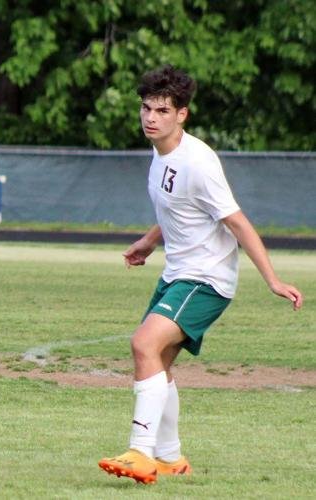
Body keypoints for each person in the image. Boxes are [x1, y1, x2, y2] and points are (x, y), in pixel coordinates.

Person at [98, 65, 303, 484]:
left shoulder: (198, 162)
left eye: (162, 110)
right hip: (178, 273)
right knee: (158, 362)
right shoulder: (159, 154)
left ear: (182, 114)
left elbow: (238, 222)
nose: (150, 117)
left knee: (143, 345)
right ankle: (171, 458)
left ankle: (141, 452)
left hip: (206, 279)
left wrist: (273, 281)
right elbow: (177, 208)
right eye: (146, 108)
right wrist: (149, 241)